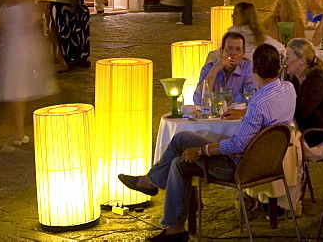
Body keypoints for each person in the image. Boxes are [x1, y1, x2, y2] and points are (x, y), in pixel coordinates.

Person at [119, 45, 296, 242]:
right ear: (279, 69)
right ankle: (174, 230)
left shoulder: (258, 103)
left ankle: (151, 182)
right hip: (270, 163)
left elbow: (238, 145)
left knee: (180, 139)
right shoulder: (288, 90)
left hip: (243, 167)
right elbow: (266, 117)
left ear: (254, 69)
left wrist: (202, 150)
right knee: (179, 163)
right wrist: (244, 113)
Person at [0, 0, 58, 145]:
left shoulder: (6, 6)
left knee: (17, 89)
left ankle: (18, 131)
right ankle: (20, 130)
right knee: (28, 87)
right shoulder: (26, 2)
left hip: (12, 47)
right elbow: (35, 22)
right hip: (27, 44)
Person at [285, 39, 323, 157]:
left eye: (287, 58)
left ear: (302, 60)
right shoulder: (296, 79)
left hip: (319, 138)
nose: (284, 62)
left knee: (283, 146)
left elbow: (301, 111)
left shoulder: (315, 80)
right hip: (305, 132)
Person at [193, 32, 256, 105]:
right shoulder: (208, 69)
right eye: (229, 49)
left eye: (238, 50)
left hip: (240, 115)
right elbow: (198, 101)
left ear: (243, 53)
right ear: (221, 51)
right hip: (215, 115)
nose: (233, 53)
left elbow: (252, 100)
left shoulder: (249, 68)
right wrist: (215, 69)